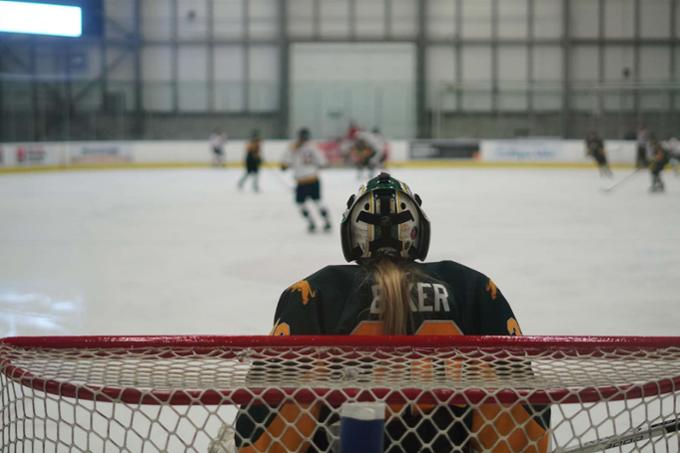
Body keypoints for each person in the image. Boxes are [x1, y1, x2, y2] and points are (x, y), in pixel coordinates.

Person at [234, 172, 550, 452]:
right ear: (417, 231)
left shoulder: (312, 293)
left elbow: (264, 426)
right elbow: (526, 417)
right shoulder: (474, 288)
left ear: (353, 234)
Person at [281, 128, 332, 233]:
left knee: (300, 203)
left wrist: (284, 166)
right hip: (313, 179)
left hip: (302, 181)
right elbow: (323, 162)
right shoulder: (313, 147)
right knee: (318, 201)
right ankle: (327, 221)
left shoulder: (293, 148)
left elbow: (285, 164)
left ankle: (311, 222)